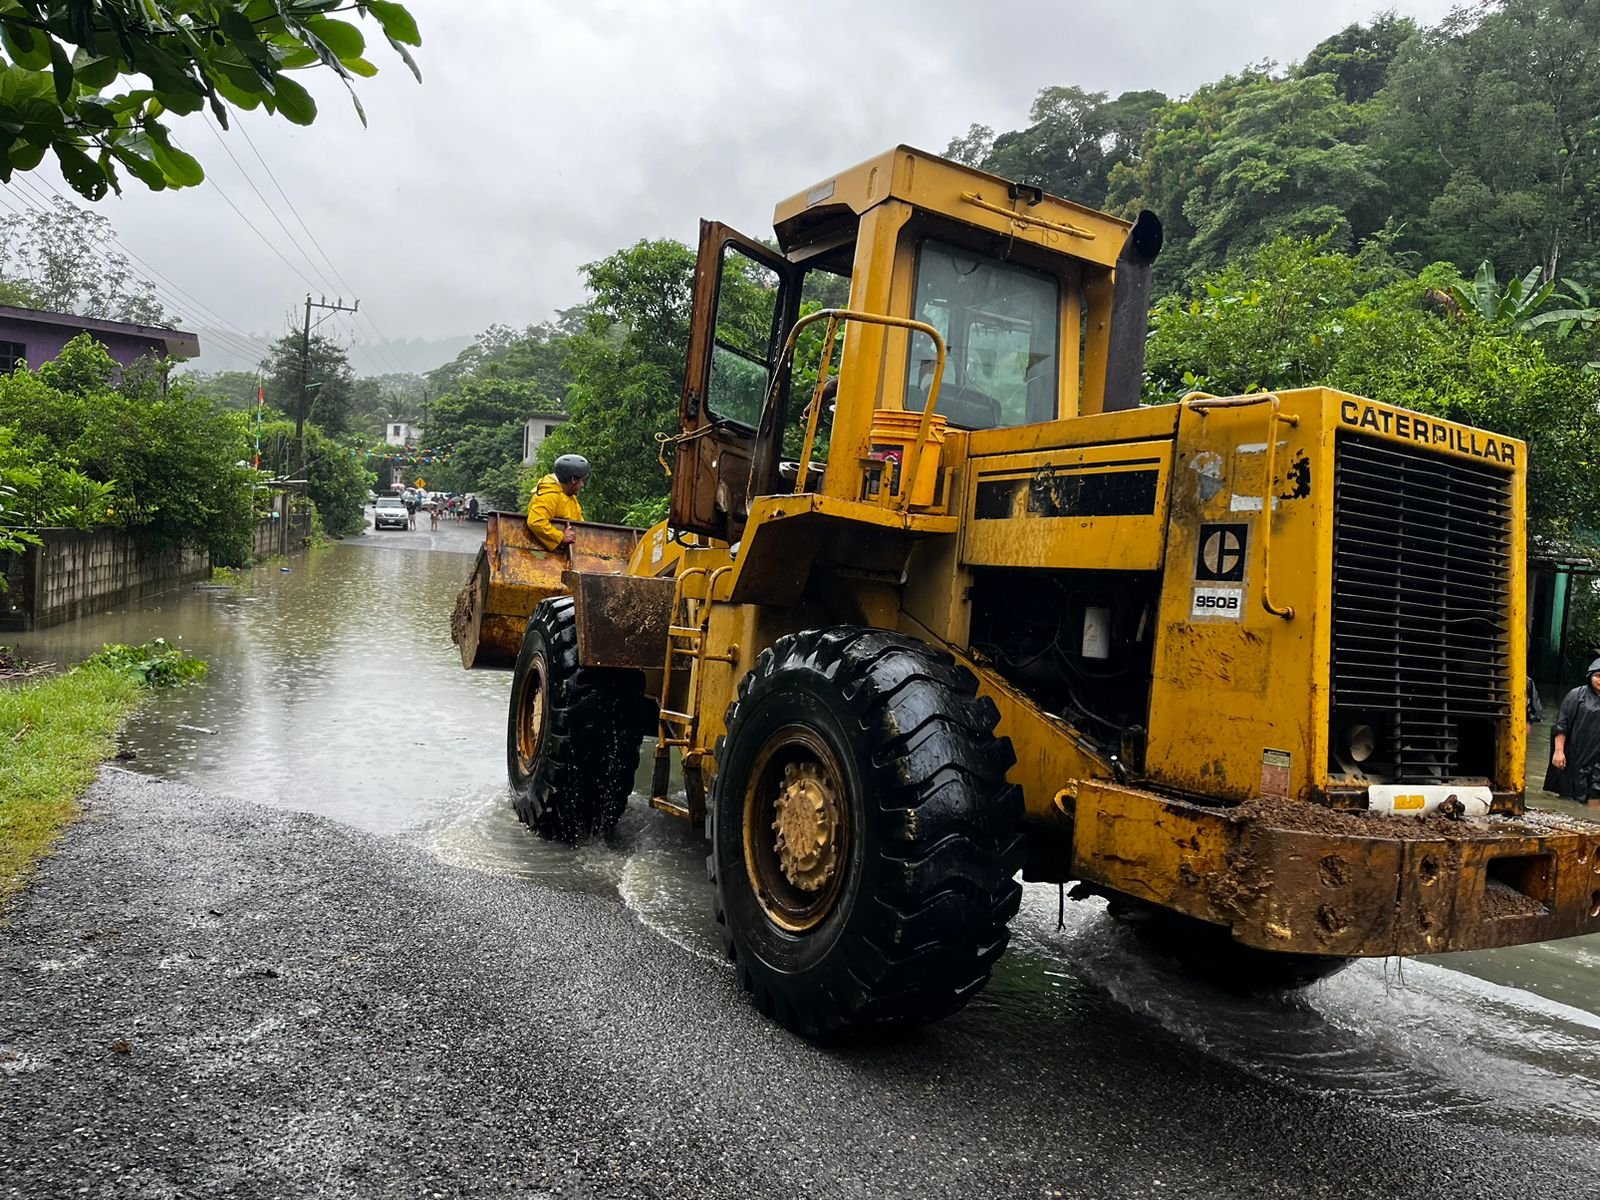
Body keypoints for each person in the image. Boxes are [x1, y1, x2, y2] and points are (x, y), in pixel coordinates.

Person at [1550, 659, 1600, 807]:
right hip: (1576, 755)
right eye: (1597, 675)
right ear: (1590, 676)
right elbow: (1561, 725)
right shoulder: (1576, 695)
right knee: (1571, 796)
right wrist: (1559, 751)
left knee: (1595, 796)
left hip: (1598, 759)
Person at [526, 453, 590, 551]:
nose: (582, 485)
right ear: (573, 479)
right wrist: (560, 537)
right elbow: (536, 522)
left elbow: (579, 523)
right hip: (546, 555)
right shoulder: (549, 495)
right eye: (582, 480)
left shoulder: (569, 496)